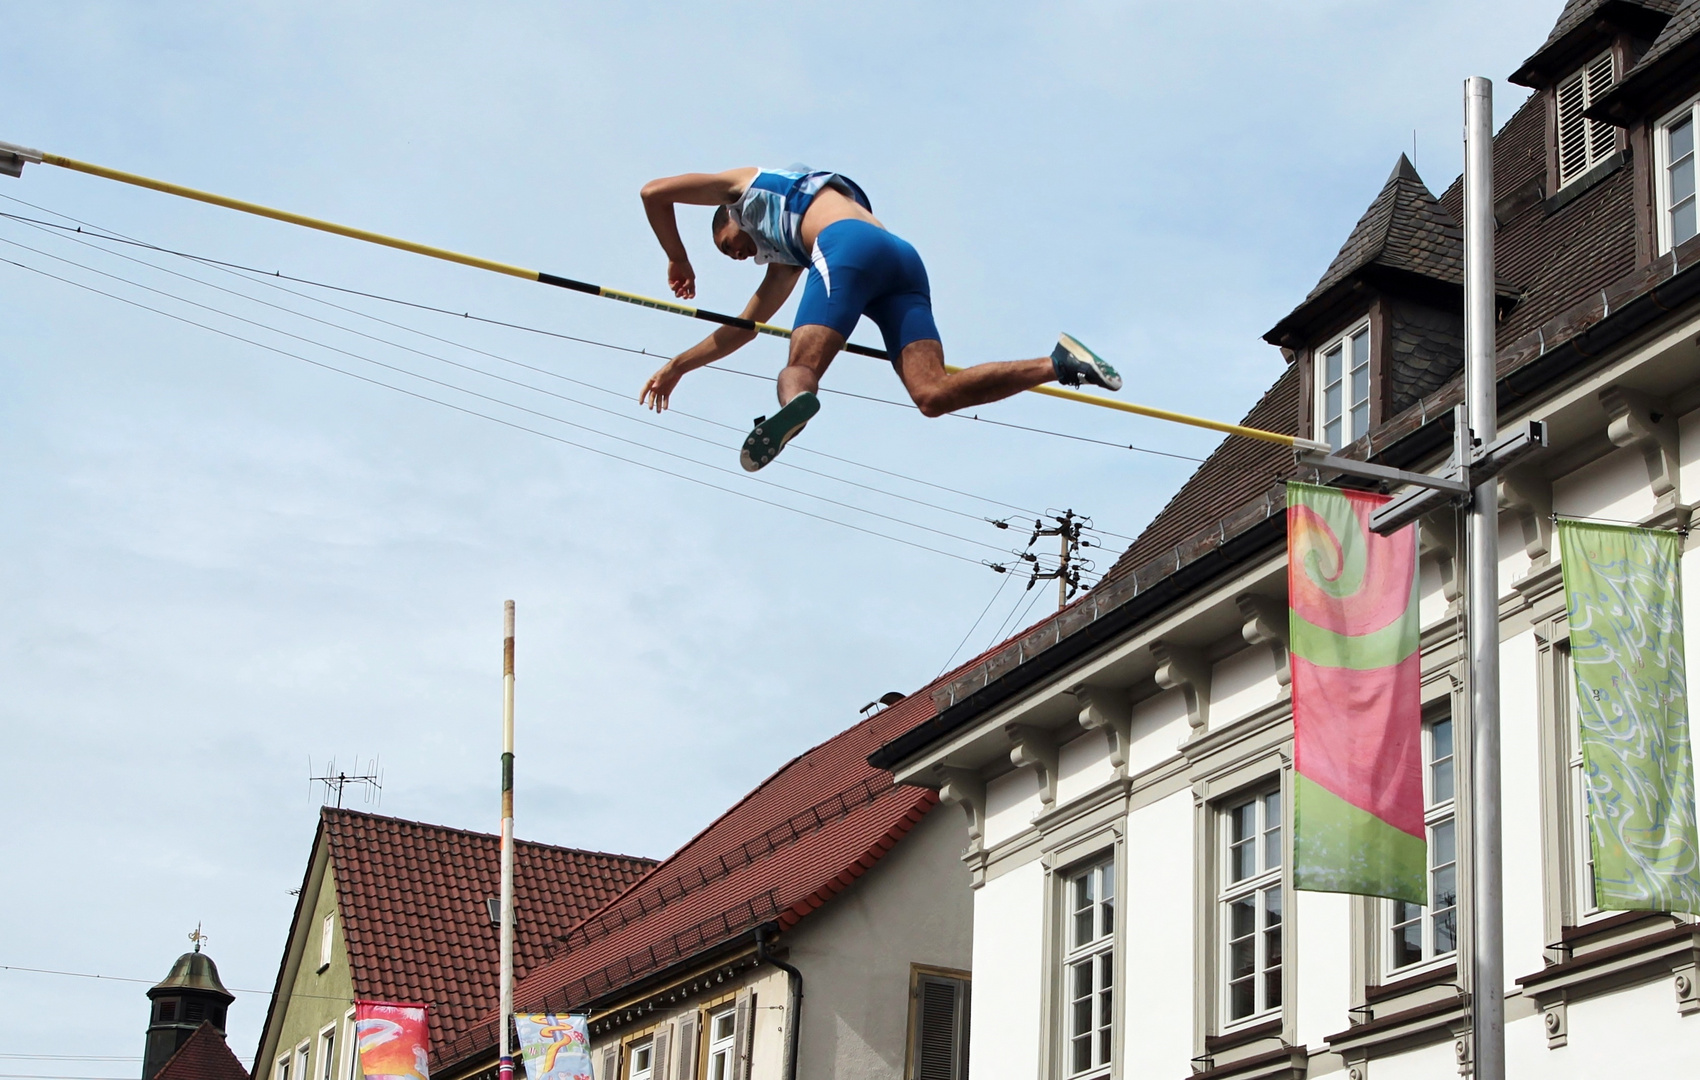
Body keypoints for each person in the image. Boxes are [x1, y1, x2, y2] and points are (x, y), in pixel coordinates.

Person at [636, 166, 1121, 471]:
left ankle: (795, 408)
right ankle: (1059, 364)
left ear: (729, 217)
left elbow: (654, 192)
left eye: (729, 247)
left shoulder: (744, 184)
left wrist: (677, 258)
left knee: (801, 363)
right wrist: (678, 365)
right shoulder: (787, 254)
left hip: (846, 246)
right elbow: (742, 328)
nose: (739, 257)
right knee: (932, 394)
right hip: (901, 260)